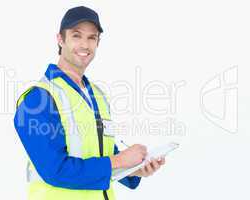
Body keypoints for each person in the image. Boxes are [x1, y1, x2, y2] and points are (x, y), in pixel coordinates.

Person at [14, 6, 165, 200]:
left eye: (92, 38)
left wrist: (134, 170)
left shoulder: (98, 96)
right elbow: (55, 170)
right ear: (60, 39)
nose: (85, 45)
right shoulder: (37, 99)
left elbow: (105, 154)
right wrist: (119, 160)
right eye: (76, 36)